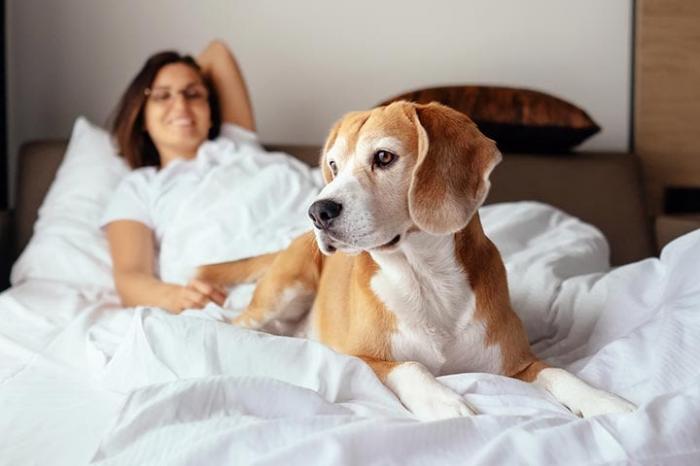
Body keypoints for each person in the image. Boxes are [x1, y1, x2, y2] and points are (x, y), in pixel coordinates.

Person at [101, 40, 256, 313]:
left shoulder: (238, 146)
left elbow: (217, 52)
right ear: (142, 117)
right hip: (233, 287)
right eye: (162, 96)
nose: (181, 104)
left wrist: (179, 72)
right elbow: (130, 277)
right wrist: (175, 297)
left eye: (193, 94)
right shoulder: (140, 187)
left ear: (210, 113)